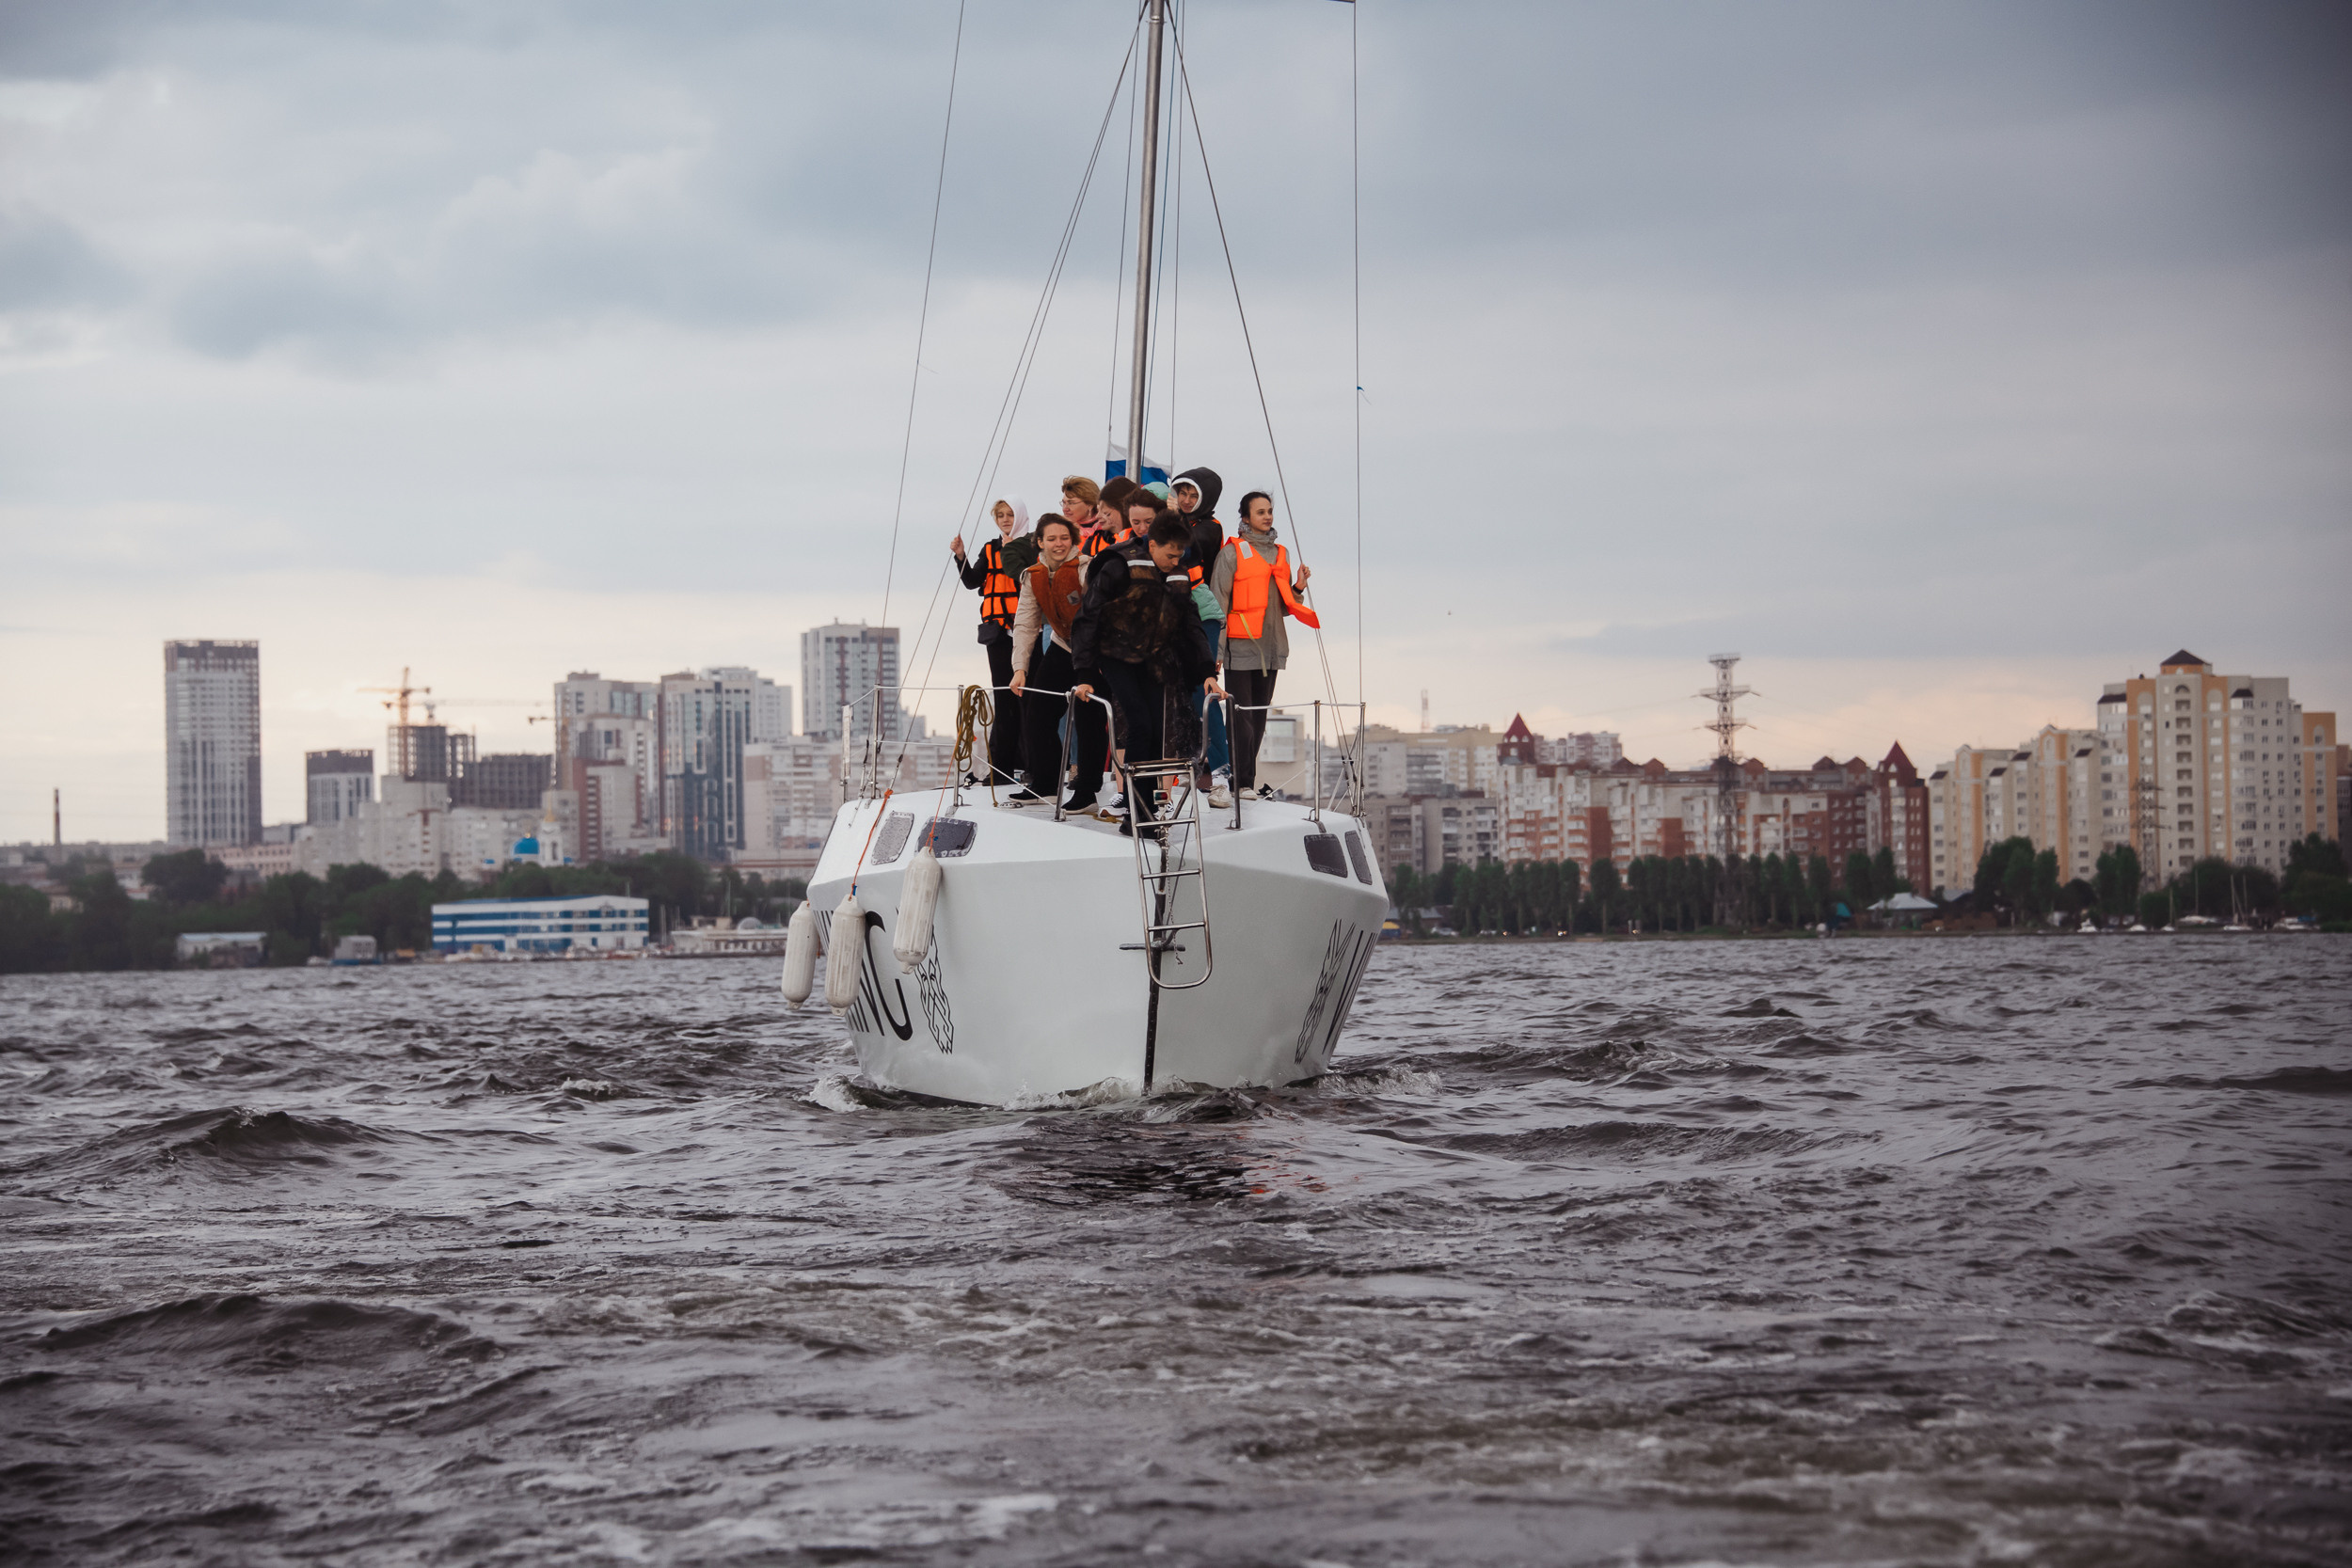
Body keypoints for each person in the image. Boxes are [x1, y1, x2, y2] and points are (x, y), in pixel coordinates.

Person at [1072, 513, 1228, 832]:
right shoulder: (1118, 565)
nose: (1175, 561)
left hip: (1156, 658)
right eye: (1170, 554)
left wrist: (1205, 671)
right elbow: (1087, 618)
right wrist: (1084, 673)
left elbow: (1191, 623)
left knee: (1157, 730)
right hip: (1116, 655)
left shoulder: (1179, 574)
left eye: (1179, 555)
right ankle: (1134, 813)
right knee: (1139, 723)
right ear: (1152, 544)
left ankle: (1141, 812)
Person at [1210, 489, 1316, 799]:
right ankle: (1239, 783)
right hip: (1240, 648)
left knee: (1258, 718)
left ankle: (1246, 782)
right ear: (1245, 518)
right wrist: (1215, 653)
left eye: (1269, 511)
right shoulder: (1232, 554)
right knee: (1241, 718)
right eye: (1260, 512)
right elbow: (1218, 604)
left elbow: (1282, 605)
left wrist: (1298, 586)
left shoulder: (1280, 554)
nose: (1267, 516)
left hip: (1271, 648)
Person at [1007, 515, 1111, 809]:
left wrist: (1090, 666)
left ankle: (1087, 792)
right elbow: (1025, 623)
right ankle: (1046, 785)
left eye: (1064, 538)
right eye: (1051, 539)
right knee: (1038, 713)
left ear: (1073, 540)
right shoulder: (1033, 575)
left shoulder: (1087, 568)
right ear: (1040, 542)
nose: (1058, 544)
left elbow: (1098, 617)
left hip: (1095, 650)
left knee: (1090, 718)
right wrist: (1020, 669)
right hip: (1062, 646)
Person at [951, 495, 1038, 788]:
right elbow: (972, 581)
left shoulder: (1033, 547)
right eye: (1000, 515)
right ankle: (1002, 768)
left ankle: (1032, 766)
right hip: (998, 634)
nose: (1005, 519)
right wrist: (961, 556)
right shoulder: (990, 549)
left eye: (1010, 514)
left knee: (1028, 698)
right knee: (1003, 697)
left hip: (1028, 632)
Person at [1168, 467, 1232, 806]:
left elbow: (1190, 549)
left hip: (1200, 615)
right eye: (1182, 493)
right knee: (1177, 696)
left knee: (1202, 693)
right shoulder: (1173, 520)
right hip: (1171, 613)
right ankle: (1191, 765)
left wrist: (1170, 517)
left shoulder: (1210, 528)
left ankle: (1222, 770)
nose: (1187, 500)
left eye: (1194, 495)